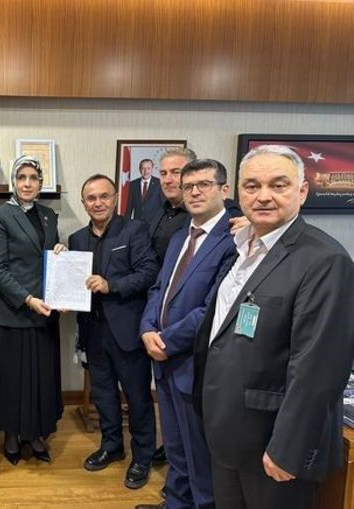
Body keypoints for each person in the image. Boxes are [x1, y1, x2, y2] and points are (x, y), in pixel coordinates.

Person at [193, 145, 354, 509]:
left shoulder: (324, 260)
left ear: (302, 191)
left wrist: (288, 448)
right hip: (229, 430)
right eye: (252, 186)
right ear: (238, 192)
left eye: (278, 185)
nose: (263, 196)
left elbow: (319, 368)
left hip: (274, 445)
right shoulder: (242, 248)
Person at [137, 159, 238, 509]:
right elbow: (159, 288)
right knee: (176, 448)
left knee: (199, 455)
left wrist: (166, 341)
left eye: (204, 185)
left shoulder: (235, 240)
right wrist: (147, 328)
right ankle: (176, 503)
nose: (194, 192)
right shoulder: (181, 235)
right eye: (188, 186)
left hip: (196, 364)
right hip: (164, 361)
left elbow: (214, 308)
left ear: (224, 190)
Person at [69, 174, 160, 489]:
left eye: (104, 196)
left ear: (115, 198)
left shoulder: (134, 230)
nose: (98, 203)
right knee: (103, 393)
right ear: (84, 203)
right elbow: (72, 280)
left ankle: (143, 456)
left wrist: (112, 285)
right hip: (92, 330)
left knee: (137, 397)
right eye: (91, 198)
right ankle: (112, 445)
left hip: (127, 330)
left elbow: (149, 272)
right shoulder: (76, 239)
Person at [0, 155, 63, 464]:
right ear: (14, 182)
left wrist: (59, 252)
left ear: (41, 183)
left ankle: (36, 433)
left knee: (40, 378)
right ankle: (12, 435)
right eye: (21, 177)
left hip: (45, 312)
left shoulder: (48, 215)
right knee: (13, 381)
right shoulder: (0, 216)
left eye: (33, 178)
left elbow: (47, 258)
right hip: (13, 312)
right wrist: (27, 299)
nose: (27, 183)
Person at [126, 159, 164, 223]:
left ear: (152, 169)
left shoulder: (159, 183)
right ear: (139, 169)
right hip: (138, 222)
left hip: (154, 223)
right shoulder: (133, 184)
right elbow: (129, 206)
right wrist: (126, 223)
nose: (146, 171)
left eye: (148, 168)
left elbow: (163, 205)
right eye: (143, 168)